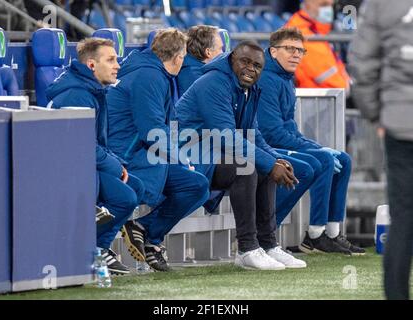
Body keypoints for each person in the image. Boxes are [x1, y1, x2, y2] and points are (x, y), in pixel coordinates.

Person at [176, 41, 306, 270]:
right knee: (245, 168)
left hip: (212, 152)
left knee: (262, 167)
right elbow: (225, 135)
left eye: (257, 66)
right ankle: (247, 249)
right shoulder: (214, 83)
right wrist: (268, 162)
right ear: (231, 59)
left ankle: (267, 244)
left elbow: (253, 133)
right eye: (245, 62)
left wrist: (274, 160)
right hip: (185, 155)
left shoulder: (249, 89)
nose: (250, 69)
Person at [106, 28, 210, 272]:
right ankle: (140, 238)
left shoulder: (152, 73)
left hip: (142, 153)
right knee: (194, 183)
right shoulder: (149, 77)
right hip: (127, 157)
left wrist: (179, 155)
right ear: (177, 56)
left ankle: (145, 231)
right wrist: (181, 159)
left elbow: (164, 127)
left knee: (197, 184)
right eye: (184, 56)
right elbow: (151, 131)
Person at [257, 27, 364, 255]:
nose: (296, 54)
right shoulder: (266, 79)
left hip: (276, 141)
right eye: (290, 49)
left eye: (300, 50)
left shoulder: (285, 78)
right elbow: (271, 132)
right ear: (273, 51)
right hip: (264, 146)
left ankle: (331, 233)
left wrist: (315, 146)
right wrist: (318, 150)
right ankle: (277, 232)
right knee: (322, 160)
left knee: (342, 159)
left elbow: (290, 128)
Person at [46, 38, 145, 274]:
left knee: (136, 186)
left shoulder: (93, 89)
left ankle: (98, 248)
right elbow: (81, 146)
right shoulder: (77, 95)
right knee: (126, 197)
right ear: (91, 65)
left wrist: (115, 163)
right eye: (110, 60)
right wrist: (116, 167)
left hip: (86, 162)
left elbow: (96, 142)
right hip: (69, 167)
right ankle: (89, 250)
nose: (117, 65)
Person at [348, 0, 413, 300]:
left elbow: (362, 65)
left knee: (403, 216)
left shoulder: (381, 4)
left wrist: (377, 115)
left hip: (402, 122)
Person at [285, 0, 350, 91]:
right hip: (317, 100)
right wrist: (350, 87)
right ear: (308, 4)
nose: (328, 10)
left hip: (325, 97)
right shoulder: (303, 34)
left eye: (330, 6)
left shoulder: (315, 31)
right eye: (323, 5)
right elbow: (334, 83)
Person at [176, 25, 223, 97]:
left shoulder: (194, 67)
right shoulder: (194, 76)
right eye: (220, 49)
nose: (222, 53)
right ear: (208, 52)